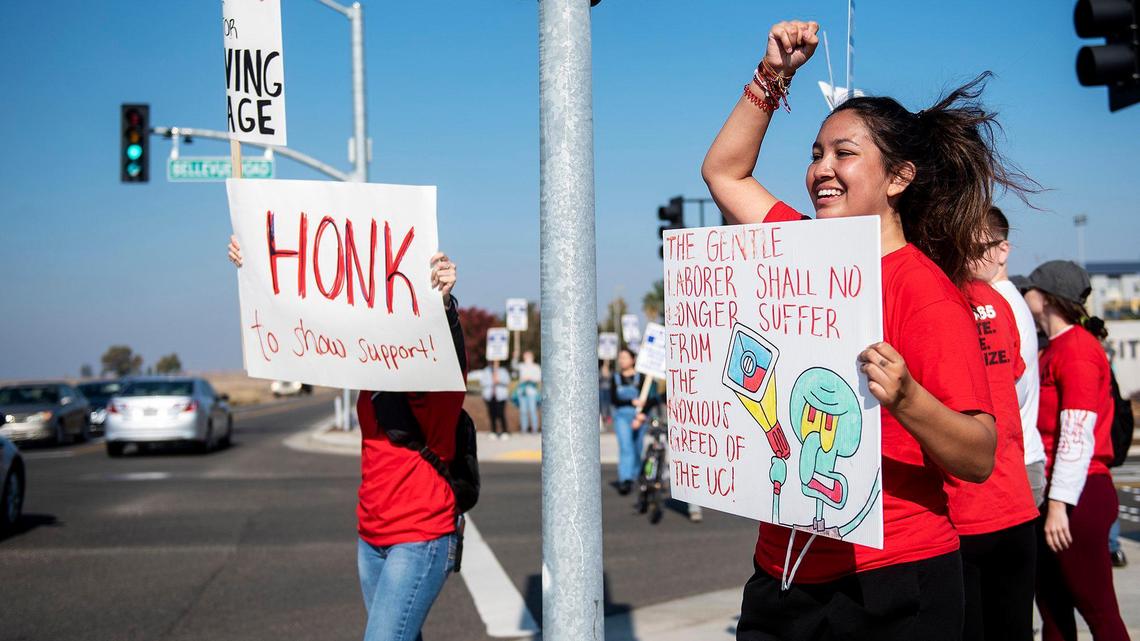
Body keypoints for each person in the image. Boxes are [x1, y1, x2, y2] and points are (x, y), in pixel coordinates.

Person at [701, 19, 1041, 639]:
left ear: (898, 178)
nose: (821, 170)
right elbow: (724, 173)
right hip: (781, 571)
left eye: (844, 153)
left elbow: (977, 455)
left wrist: (907, 397)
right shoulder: (801, 249)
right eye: (815, 154)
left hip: (894, 580)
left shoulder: (924, 292)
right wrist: (772, 76)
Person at [228, 236, 465, 641]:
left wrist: (444, 302)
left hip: (420, 536)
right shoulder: (371, 370)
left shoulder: (441, 377)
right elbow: (304, 312)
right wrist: (256, 263)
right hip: (371, 535)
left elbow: (451, 340)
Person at [1023, 260, 1129, 641]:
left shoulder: (1077, 349)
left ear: (1048, 298)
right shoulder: (1052, 349)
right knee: (1053, 612)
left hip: (1078, 497)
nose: (1024, 294)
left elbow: (1075, 432)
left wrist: (1058, 506)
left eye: (1030, 289)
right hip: (1058, 495)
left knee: (1099, 612)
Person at [950, 222, 1040, 641]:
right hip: (1013, 497)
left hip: (960, 508)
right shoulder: (995, 300)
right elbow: (1016, 386)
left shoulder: (933, 295)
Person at [986, 210, 1049, 508]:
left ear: (1003, 250)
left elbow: (1012, 392)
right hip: (1018, 460)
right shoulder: (1003, 301)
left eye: (977, 246)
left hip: (1015, 464)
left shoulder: (1000, 304)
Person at [610, 348, 658, 495]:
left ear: (633, 359)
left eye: (625, 357)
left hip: (639, 418)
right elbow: (614, 399)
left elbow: (651, 398)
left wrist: (641, 414)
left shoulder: (642, 378)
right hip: (622, 417)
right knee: (626, 447)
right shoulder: (615, 378)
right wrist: (631, 402)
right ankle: (625, 479)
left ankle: (636, 474)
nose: (622, 361)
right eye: (620, 358)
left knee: (637, 447)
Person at [479, 363, 510, 439]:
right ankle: (493, 431)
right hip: (490, 396)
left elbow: (507, 381)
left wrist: (499, 380)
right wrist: (492, 380)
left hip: (501, 396)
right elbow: (482, 382)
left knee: (501, 413)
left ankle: (504, 431)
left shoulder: (503, 370)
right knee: (491, 414)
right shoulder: (486, 371)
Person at [515, 351, 542, 434]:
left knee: (533, 410)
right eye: (525, 357)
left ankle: (534, 429)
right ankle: (524, 429)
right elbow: (514, 366)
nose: (526, 358)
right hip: (522, 392)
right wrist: (515, 357)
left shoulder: (536, 367)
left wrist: (530, 378)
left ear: (532, 357)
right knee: (523, 411)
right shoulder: (522, 366)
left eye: (528, 356)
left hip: (532, 392)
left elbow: (539, 378)